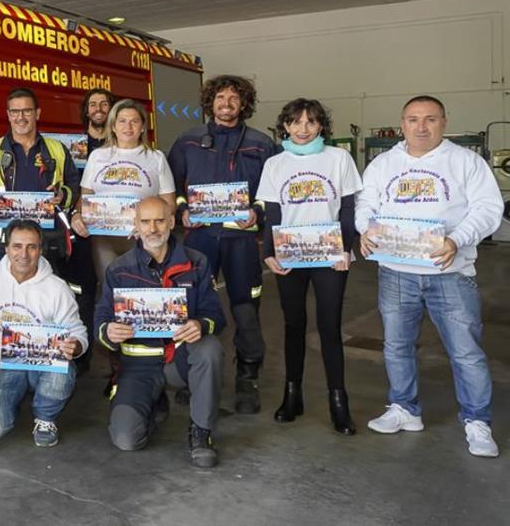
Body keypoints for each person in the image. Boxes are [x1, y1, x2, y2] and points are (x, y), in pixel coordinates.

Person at [358, 96, 502, 458]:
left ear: (444, 121)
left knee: (466, 352)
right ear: (402, 123)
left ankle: (477, 421)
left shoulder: (465, 161)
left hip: (449, 273)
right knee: (396, 346)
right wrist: (365, 230)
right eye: (413, 119)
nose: (421, 127)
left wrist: (457, 239)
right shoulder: (383, 163)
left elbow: (488, 209)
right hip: (395, 273)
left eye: (430, 119)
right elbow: (366, 206)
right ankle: (404, 409)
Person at [168, 75, 278, 414]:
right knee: (194, 306)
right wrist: (183, 210)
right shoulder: (187, 141)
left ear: (244, 104)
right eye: (220, 98)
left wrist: (257, 214)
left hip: (241, 239)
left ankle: (247, 379)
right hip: (200, 239)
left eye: (233, 98)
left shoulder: (262, 144)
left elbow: (272, 193)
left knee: (246, 308)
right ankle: (193, 374)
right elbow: (171, 186)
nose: (226, 104)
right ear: (210, 103)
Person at [96, 197, 226, 468]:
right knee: (126, 439)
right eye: (145, 221)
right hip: (138, 366)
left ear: (171, 222)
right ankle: (153, 403)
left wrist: (201, 325)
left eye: (159, 220)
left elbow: (216, 316)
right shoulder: (119, 269)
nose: (153, 228)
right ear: (136, 225)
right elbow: (101, 320)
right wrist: (109, 332)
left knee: (210, 348)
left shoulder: (197, 262)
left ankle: (201, 432)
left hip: (179, 360)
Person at [257, 99, 361, 434]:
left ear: (321, 127)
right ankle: (292, 394)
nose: (303, 129)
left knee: (329, 326)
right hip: (290, 255)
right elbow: (272, 213)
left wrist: (347, 249)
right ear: (285, 126)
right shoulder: (274, 163)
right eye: (296, 122)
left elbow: (347, 209)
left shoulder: (339, 159)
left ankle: (338, 401)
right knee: (293, 325)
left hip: (330, 254)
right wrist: (268, 253)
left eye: (311, 122)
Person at [0, 220, 88, 447]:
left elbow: (78, 331)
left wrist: (77, 345)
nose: (24, 254)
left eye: (31, 247)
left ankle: (45, 417)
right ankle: (7, 399)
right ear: (6, 248)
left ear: (40, 250)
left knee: (62, 371)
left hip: (44, 365)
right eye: (17, 246)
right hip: (3, 364)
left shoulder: (57, 288)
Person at [72, 99, 176, 334]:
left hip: (143, 241)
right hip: (104, 240)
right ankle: (117, 361)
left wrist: (151, 227)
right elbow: (84, 197)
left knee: (143, 297)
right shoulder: (98, 156)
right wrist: (77, 215)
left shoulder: (156, 158)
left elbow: (169, 204)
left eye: (134, 121)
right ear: (113, 126)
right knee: (113, 295)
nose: (128, 127)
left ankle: (150, 354)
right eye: (122, 121)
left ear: (142, 127)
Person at [0, 87, 80, 270]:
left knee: (45, 295)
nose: (21, 117)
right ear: (8, 115)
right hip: (3, 238)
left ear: (37, 113)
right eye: (15, 111)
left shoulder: (57, 149)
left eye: (27, 111)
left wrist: (63, 195)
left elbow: (74, 183)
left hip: (47, 238)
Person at [82, 87, 113, 152]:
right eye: (93, 105)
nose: (98, 108)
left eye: (104, 104)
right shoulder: (78, 143)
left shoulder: (121, 144)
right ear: (86, 111)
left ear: (112, 110)